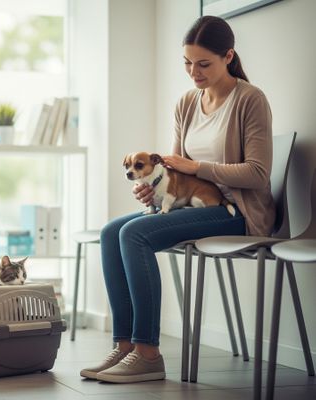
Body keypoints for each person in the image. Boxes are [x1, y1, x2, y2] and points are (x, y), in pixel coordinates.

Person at [79, 15, 274, 384]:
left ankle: (148, 353)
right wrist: (152, 189)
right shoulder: (187, 102)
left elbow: (258, 174)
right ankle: (125, 345)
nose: (193, 72)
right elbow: (173, 172)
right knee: (111, 232)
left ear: (228, 56)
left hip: (237, 212)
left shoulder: (250, 100)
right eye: (187, 62)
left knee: (133, 235)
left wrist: (198, 166)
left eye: (203, 64)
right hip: (191, 205)